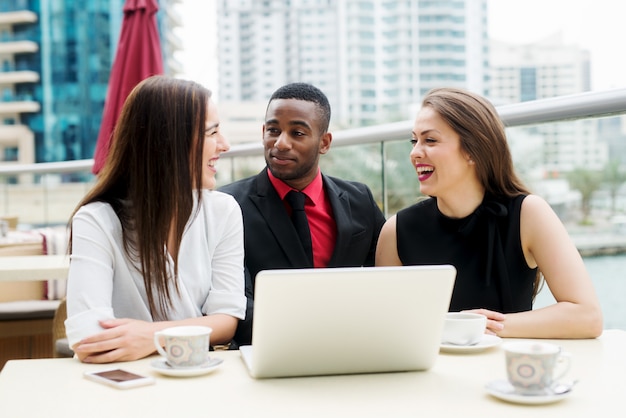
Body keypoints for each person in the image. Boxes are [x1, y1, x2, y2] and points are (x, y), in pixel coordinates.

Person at [376, 87, 603, 339]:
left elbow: (587, 317)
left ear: (472, 150)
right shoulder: (396, 231)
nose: (415, 152)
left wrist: (483, 326)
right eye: (414, 140)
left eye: (430, 140)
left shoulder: (528, 214)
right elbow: (387, 328)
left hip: (508, 373)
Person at [65, 76, 246, 363]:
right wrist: (189, 331)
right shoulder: (97, 221)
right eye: (212, 133)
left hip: (197, 376)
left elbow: (225, 321)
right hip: (125, 382)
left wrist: (151, 336)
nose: (224, 145)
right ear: (170, 143)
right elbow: (89, 336)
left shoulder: (224, 211)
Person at [220, 82, 386, 345]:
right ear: (263, 132)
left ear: (325, 143)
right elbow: (233, 302)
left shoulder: (359, 200)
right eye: (273, 130)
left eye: (297, 133)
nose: (281, 143)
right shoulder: (228, 205)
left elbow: (388, 282)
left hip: (350, 347)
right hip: (267, 349)